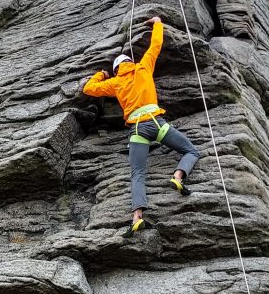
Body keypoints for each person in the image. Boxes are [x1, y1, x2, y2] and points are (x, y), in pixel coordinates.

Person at [82, 16, 201, 236]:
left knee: (137, 173)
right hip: (156, 122)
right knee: (191, 150)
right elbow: (156, 44)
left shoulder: (116, 82)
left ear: (117, 69)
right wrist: (157, 23)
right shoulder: (143, 67)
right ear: (130, 62)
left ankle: (137, 218)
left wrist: (102, 74)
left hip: (137, 129)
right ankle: (177, 177)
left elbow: (89, 89)